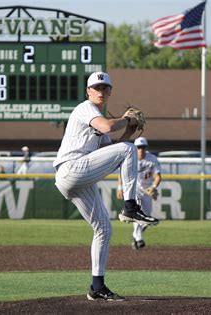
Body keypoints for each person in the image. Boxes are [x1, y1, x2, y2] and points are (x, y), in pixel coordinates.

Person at [53, 71, 159, 301]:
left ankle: (96, 286)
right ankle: (130, 207)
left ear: (110, 91)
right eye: (97, 88)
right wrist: (125, 119)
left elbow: (112, 152)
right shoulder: (85, 108)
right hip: (71, 168)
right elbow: (108, 127)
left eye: (105, 88)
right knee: (129, 149)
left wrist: (129, 131)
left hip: (77, 178)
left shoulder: (98, 118)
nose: (101, 92)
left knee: (103, 228)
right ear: (88, 91)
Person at [117, 137, 162, 250]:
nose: (141, 150)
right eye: (138, 147)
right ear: (135, 148)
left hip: (147, 190)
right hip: (134, 189)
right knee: (137, 215)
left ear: (146, 148)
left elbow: (158, 176)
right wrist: (120, 187)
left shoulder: (152, 159)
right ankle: (138, 237)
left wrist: (154, 187)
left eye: (143, 147)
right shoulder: (131, 158)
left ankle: (135, 235)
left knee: (146, 219)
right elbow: (121, 173)